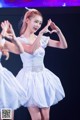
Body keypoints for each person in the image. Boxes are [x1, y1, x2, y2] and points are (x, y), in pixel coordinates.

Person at [15, 9, 68, 120]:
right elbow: (31, 50)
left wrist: (58, 31)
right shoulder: (19, 40)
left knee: (46, 116)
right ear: (27, 20)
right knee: (36, 118)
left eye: (40, 23)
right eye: (36, 22)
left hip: (43, 77)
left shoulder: (43, 39)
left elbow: (63, 45)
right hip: (28, 79)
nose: (38, 25)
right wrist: (40, 33)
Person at [0, 21, 28, 120]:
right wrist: (3, 34)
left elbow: (20, 50)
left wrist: (14, 38)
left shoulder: (2, 41)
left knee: (6, 109)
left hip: (2, 82)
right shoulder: (1, 39)